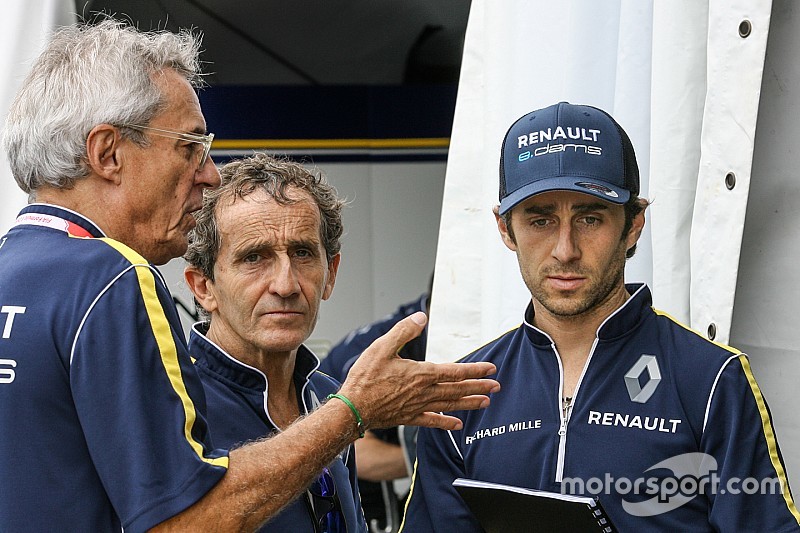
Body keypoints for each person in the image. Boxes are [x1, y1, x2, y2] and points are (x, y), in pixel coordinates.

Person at [0, 20, 500, 533]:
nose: (210, 172)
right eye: (189, 145)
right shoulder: (110, 276)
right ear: (108, 153)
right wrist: (351, 412)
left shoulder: (14, 267)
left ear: (332, 270)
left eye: (303, 254)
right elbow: (184, 524)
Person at [401, 102, 800, 531]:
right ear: (505, 228)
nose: (565, 249)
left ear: (633, 224)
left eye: (590, 218)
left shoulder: (710, 377)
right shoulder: (461, 393)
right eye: (540, 220)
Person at [182, 152, 369, 531]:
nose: (286, 285)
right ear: (204, 287)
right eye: (254, 257)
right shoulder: (171, 402)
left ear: (330, 273)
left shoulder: (328, 394)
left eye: (302, 253)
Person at [320, 286, 430, 532]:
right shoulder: (391, 346)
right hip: (342, 490)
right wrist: (435, 460)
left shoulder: (425, 332)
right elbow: (357, 452)